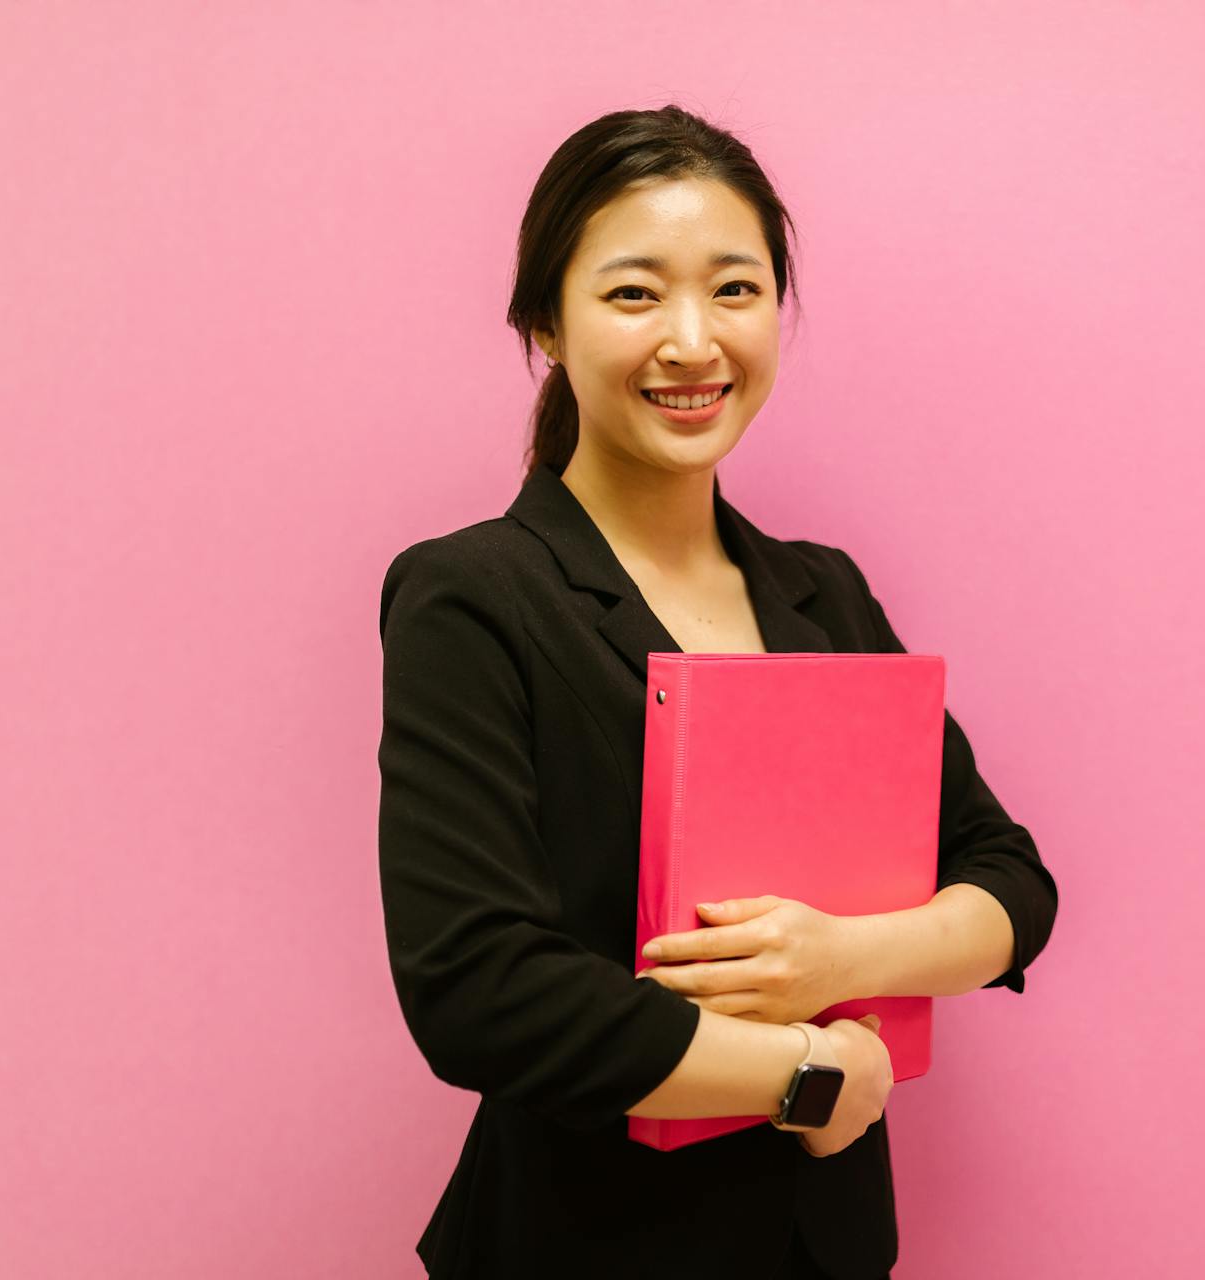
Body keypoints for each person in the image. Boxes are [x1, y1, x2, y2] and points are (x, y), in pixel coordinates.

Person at [377, 105, 1058, 1280]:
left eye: (734, 291)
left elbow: (1010, 881)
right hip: (581, 1244)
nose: (694, 343)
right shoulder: (473, 594)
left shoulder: (823, 594)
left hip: (821, 1246)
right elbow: (477, 987)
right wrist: (805, 1069)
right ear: (545, 318)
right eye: (635, 294)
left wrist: (839, 958)